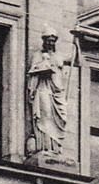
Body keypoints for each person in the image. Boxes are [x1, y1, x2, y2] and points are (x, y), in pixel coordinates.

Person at [27, 28, 68, 156]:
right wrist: (43, 68)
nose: (50, 44)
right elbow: (33, 72)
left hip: (57, 92)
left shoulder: (58, 56)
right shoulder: (38, 55)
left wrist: (77, 45)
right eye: (48, 41)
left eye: (53, 41)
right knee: (45, 117)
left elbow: (74, 61)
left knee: (60, 117)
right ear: (44, 41)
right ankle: (45, 146)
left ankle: (55, 147)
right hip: (43, 89)